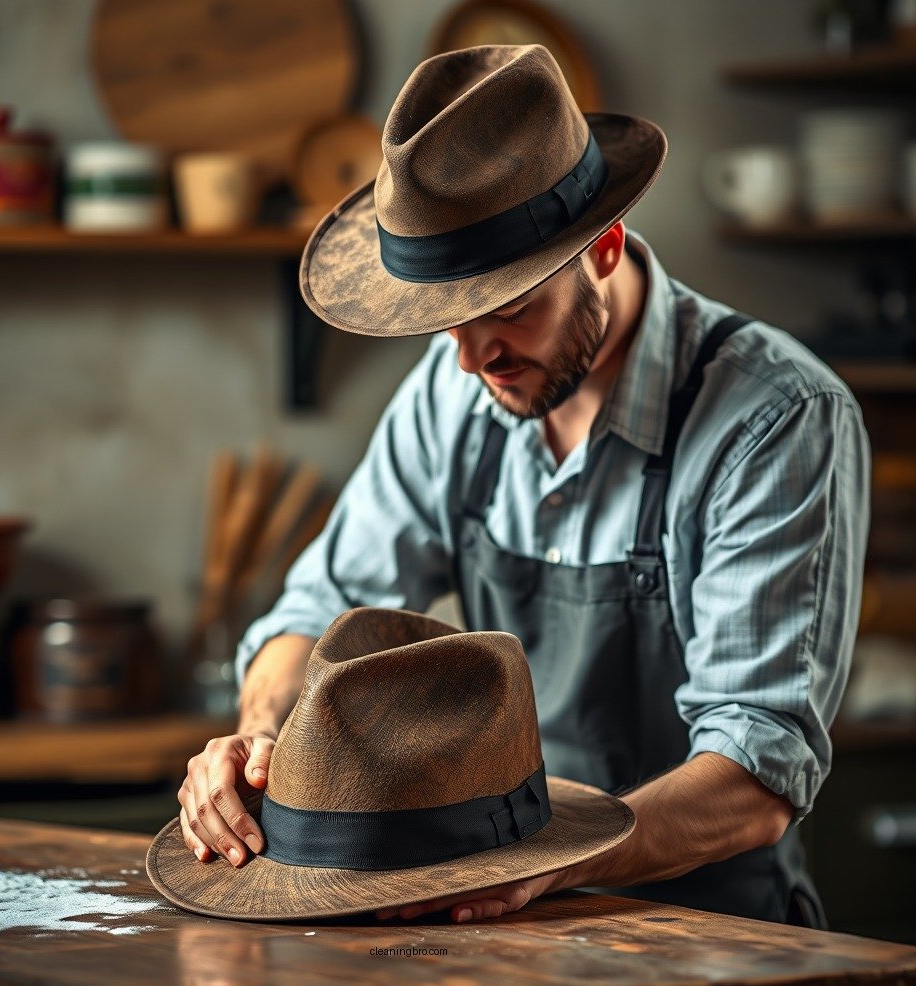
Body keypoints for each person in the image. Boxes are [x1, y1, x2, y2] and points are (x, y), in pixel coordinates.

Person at [176, 44, 870, 927]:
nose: (471, 362)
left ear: (605, 247)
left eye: (507, 307)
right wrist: (260, 741)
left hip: (710, 928)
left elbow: (758, 771)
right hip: (509, 914)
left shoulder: (773, 418)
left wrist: (549, 865)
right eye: (448, 323)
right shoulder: (455, 385)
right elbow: (321, 606)